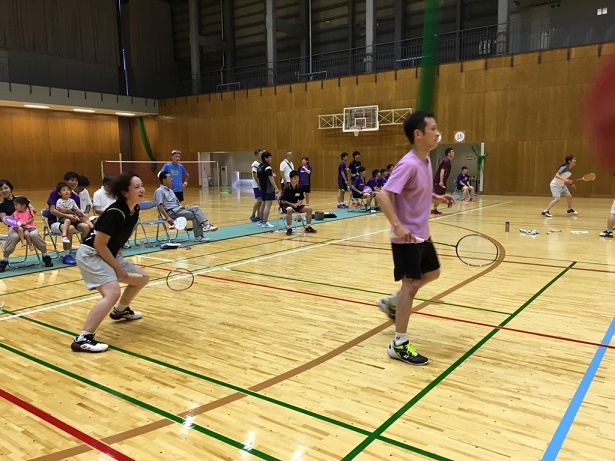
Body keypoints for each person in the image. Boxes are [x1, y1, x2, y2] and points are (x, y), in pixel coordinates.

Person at [376, 111, 454, 365]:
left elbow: (414, 190)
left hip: (422, 234)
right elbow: (383, 195)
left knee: (433, 273)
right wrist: (397, 226)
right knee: (410, 285)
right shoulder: (408, 163)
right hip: (406, 238)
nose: (437, 133)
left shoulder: (426, 159)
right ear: (418, 134)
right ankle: (399, 344)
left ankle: (393, 302)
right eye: (433, 129)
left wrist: (435, 197)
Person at [71, 172, 150, 353]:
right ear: (125, 193)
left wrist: (117, 251)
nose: (142, 189)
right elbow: (99, 244)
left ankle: (120, 311)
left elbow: (115, 235)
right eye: (137, 187)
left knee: (142, 278)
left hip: (107, 252)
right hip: (91, 254)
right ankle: (82, 339)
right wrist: (118, 268)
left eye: (142, 185)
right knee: (112, 292)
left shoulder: (134, 209)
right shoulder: (115, 212)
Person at [0, 179, 53, 272]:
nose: (4, 191)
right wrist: (16, 218)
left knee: (34, 234)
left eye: (5, 188)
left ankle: (45, 256)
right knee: (14, 236)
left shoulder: (21, 199)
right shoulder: (1, 205)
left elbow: (33, 210)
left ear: (10, 188)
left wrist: (24, 214)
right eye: (1, 189)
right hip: (14, 228)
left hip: (29, 225)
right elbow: (5, 220)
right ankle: (4, 260)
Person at [155, 171, 218, 242]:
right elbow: (160, 206)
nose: (171, 179)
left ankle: (206, 226)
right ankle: (199, 236)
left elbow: (176, 203)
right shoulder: (159, 191)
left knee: (196, 208)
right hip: (172, 212)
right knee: (194, 215)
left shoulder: (170, 190)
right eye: (169, 177)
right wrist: (167, 217)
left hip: (179, 209)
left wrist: (183, 207)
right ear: (164, 180)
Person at [46, 171, 82, 265]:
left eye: (76, 181)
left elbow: (76, 212)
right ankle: (66, 255)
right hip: (56, 222)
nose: (74, 183)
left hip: (72, 220)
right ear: (66, 181)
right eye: (72, 180)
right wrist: (68, 215)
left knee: (86, 226)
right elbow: (53, 211)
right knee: (70, 228)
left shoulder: (75, 197)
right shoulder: (54, 194)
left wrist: (69, 211)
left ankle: (84, 252)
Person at [280, 171, 317, 235]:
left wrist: (297, 204)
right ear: (291, 179)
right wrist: (292, 204)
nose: (297, 179)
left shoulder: (299, 188)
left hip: (296, 205)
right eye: (295, 178)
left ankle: (308, 227)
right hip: (286, 205)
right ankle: (289, 228)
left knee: (309, 209)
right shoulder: (286, 188)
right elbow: (282, 201)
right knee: (289, 209)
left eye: (298, 178)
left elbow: (301, 199)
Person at [257, 151, 280, 228]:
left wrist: (259, 186)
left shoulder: (259, 166)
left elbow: (259, 177)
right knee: (268, 205)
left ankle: (261, 221)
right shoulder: (268, 167)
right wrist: (276, 188)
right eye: (270, 157)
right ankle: (265, 222)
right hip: (269, 188)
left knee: (263, 204)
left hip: (263, 188)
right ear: (266, 158)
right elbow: (270, 178)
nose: (271, 159)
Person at [432, 148, 455, 214]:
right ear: (448, 153)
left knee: (440, 195)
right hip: (439, 181)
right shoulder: (446, 160)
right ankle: (431, 209)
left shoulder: (448, 161)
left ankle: (434, 209)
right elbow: (442, 171)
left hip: (442, 181)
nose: (454, 153)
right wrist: (441, 181)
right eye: (452, 151)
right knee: (439, 195)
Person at [250, 148, 264, 222]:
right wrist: (259, 184)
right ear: (257, 155)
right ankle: (253, 214)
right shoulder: (255, 164)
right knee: (259, 200)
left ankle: (259, 215)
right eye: (261, 154)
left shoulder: (261, 163)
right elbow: (255, 175)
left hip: (262, 185)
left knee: (261, 201)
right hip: (257, 185)